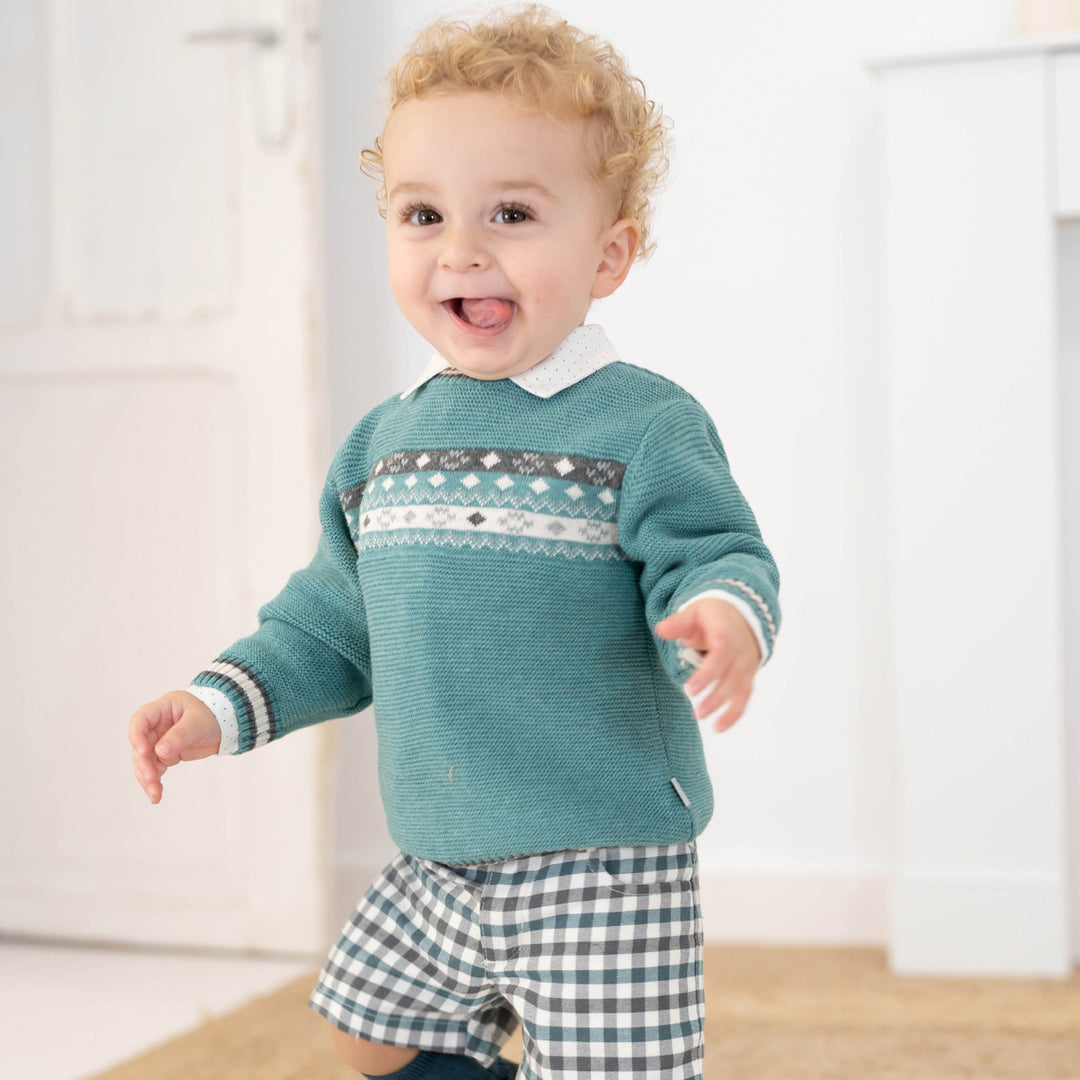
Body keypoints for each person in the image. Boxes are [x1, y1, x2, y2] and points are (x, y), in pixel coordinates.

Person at [128, 6, 781, 1078]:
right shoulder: (383, 446)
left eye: (512, 213)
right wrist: (216, 706)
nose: (461, 250)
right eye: (422, 214)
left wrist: (719, 615)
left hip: (600, 859)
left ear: (609, 253)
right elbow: (329, 626)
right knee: (369, 1029)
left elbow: (714, 552)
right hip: (440, 853)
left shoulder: (641, 425)